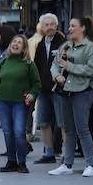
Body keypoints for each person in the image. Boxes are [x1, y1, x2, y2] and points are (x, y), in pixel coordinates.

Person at [48, 16, 93, 178]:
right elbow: (55, 65)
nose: (70, 29)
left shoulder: (89, 47)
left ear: (83, 28)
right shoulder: (66, 46)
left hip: (83, 91)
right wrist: (57, 76)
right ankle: (67, 164)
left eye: (73, 26)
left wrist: (69, 67)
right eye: (70, 26)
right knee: (68, 129)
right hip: (66, 91)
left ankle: (90, 165)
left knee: (82, 129)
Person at [0, 33, 39, 172]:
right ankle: (11, 161)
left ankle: (21, 162)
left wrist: (32, 94)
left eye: (19, 43)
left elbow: (36, 84)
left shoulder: (29, 64)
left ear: (24, 48)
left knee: (18, 132)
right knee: (7, 132)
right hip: (4, 102)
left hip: (20, 103)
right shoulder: (4, 62)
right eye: (14, 42)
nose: (15, 44)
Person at [29, 14, 66, 164]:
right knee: (43, 121)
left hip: (59, 88)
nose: (50, 27)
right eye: (47, 25)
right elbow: (36, 66)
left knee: (63, 123)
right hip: (43, 89)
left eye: (52, 24)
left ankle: (65, 154)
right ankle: (49, 153)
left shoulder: (63, 43)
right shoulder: (40, 44)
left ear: (56, 26)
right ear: (42, 27)